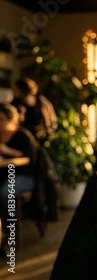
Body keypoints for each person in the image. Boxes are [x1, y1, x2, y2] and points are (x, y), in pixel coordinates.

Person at [0, 103, 37, 247]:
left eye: (1, 119)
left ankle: (10, 234)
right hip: (3, 176)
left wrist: (7, 150)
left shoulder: (22, 135)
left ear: (11, 120)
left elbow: (30, 158)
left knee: (5, 192)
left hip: (24, 177)